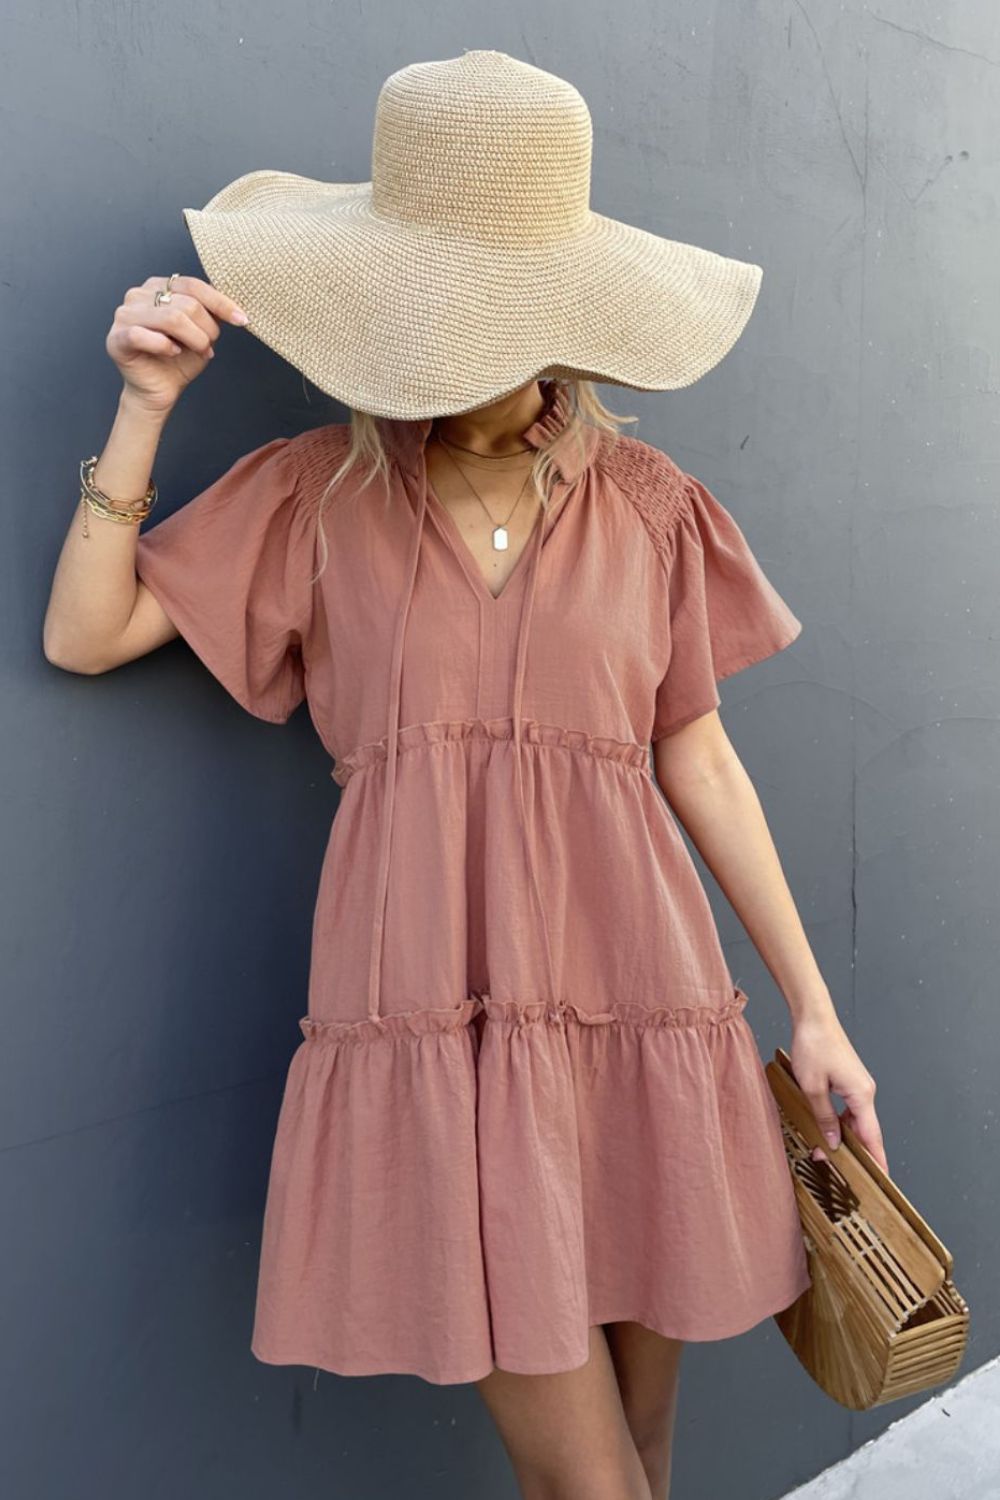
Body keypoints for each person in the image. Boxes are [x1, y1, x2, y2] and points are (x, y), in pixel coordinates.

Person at [42, 51, 886, 1500]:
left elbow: (699, 757)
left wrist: (815, 1013)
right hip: (441, 1016)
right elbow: (86, 634)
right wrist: (145, 404)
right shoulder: (316, 492)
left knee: (646, 1459)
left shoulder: (650, 508)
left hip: (640, 1005)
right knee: (590, 1487)